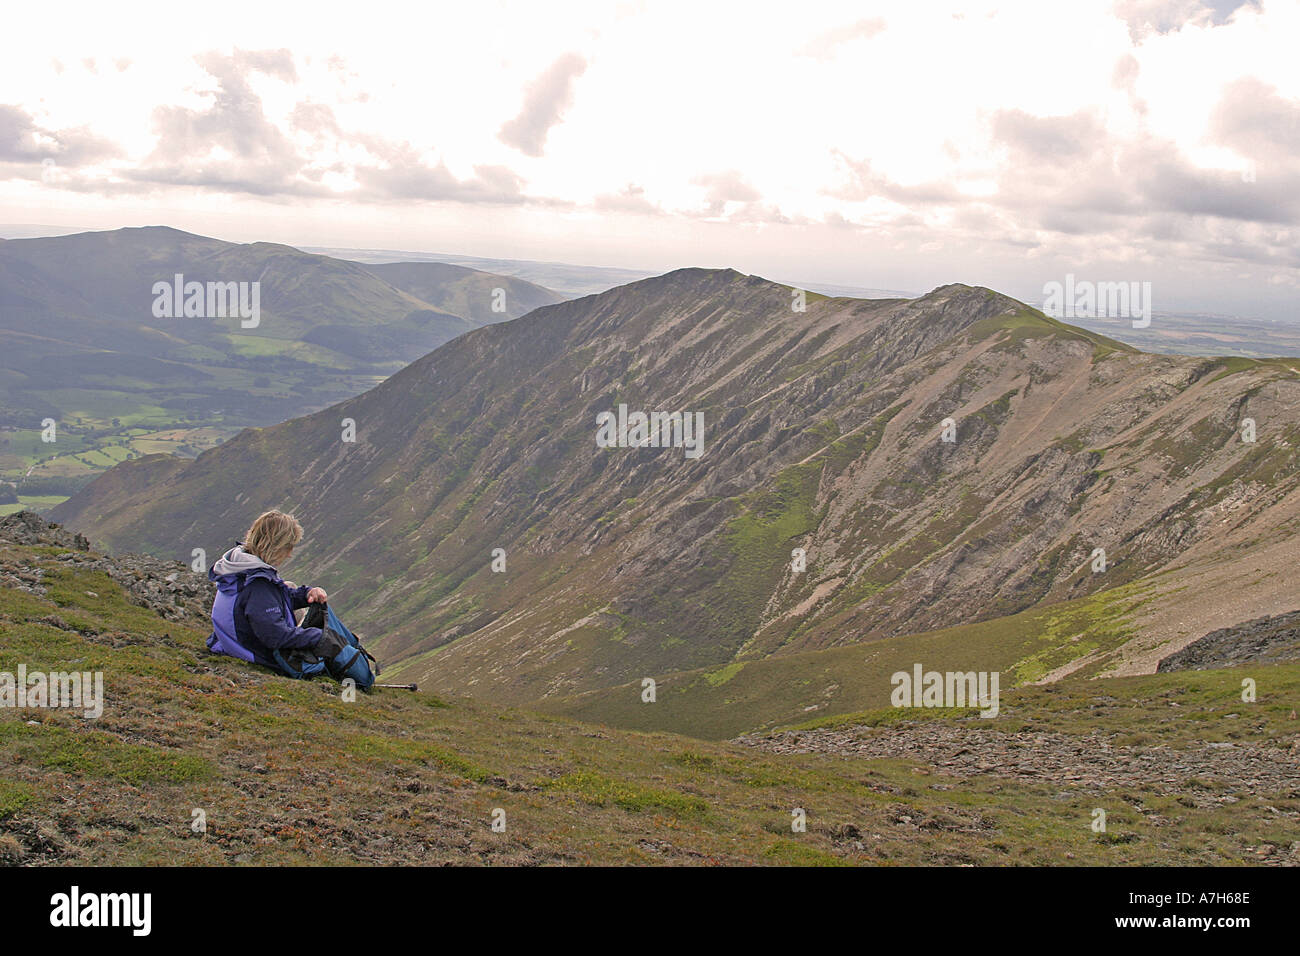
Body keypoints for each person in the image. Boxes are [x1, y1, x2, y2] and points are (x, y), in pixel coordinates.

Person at [206, 510, 331, 676]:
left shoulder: (240, 567)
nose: (289, 554)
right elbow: (275, 636)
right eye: (288, 547)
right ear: (275, 545)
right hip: (255, 653)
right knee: (324, 642)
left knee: (289, 586)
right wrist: (320, 637)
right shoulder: (258, 585)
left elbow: (278, 596)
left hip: (232, 642)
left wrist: (307, 593)